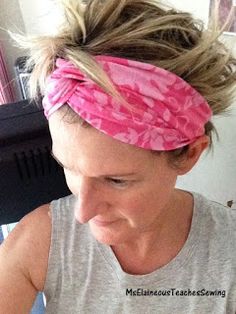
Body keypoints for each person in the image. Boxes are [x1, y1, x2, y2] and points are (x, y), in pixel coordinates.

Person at [1, 0, 236, 313]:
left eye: (116, 180)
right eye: (68, 167)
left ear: (188, 154)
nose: (82, 212)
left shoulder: (228, 254)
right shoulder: (40, 241)